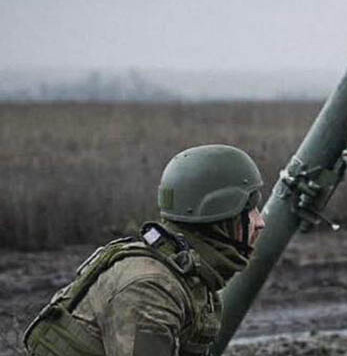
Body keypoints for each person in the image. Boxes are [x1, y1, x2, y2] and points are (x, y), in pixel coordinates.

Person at [24, 144, 267, 355]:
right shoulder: (150, 288)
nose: (260, 222)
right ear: (221, 215)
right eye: (250, 210)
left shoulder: (190, 276)